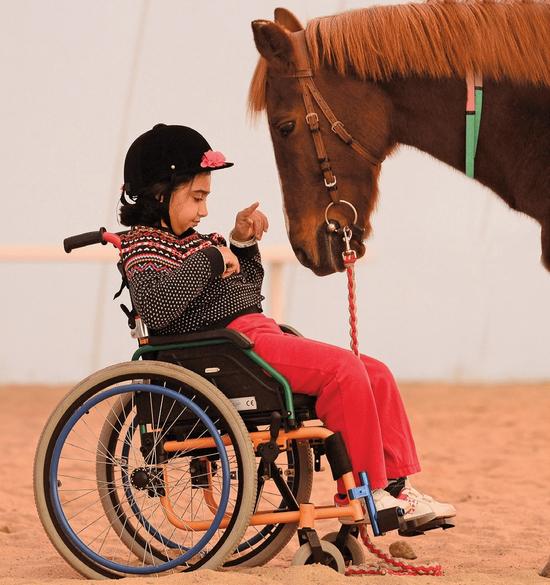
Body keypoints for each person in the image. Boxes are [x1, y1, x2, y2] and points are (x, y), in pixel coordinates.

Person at [118, 123, 456, 527]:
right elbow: (157, 307)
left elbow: (247, 291)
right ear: (160, 193)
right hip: (229, 348)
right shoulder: (144, 246)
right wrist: (211, 259)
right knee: (343, 371)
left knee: (375, 373)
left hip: (253, 336)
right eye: (197, 197)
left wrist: (242, 243)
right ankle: (367, 493)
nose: (204, 210)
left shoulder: (199, 240)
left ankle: (397, 488)